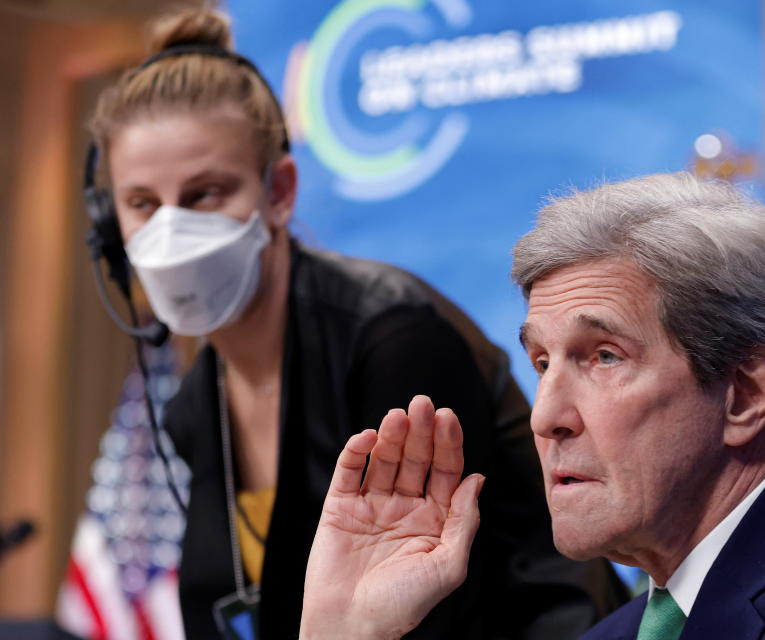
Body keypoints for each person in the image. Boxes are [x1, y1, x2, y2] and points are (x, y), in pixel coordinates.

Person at [87, 7, 627, 639]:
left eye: (206, 194)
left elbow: (438, 606)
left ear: (279, 193)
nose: (172, 230)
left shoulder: (394, 339)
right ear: (110, 225)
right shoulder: (191, 408)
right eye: (142, 203)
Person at [300, 172, 765, 639]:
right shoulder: (619, 633)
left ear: (746, 393)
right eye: (541, 362)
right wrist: (348, 633)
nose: (544, 415)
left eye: (603, 356)